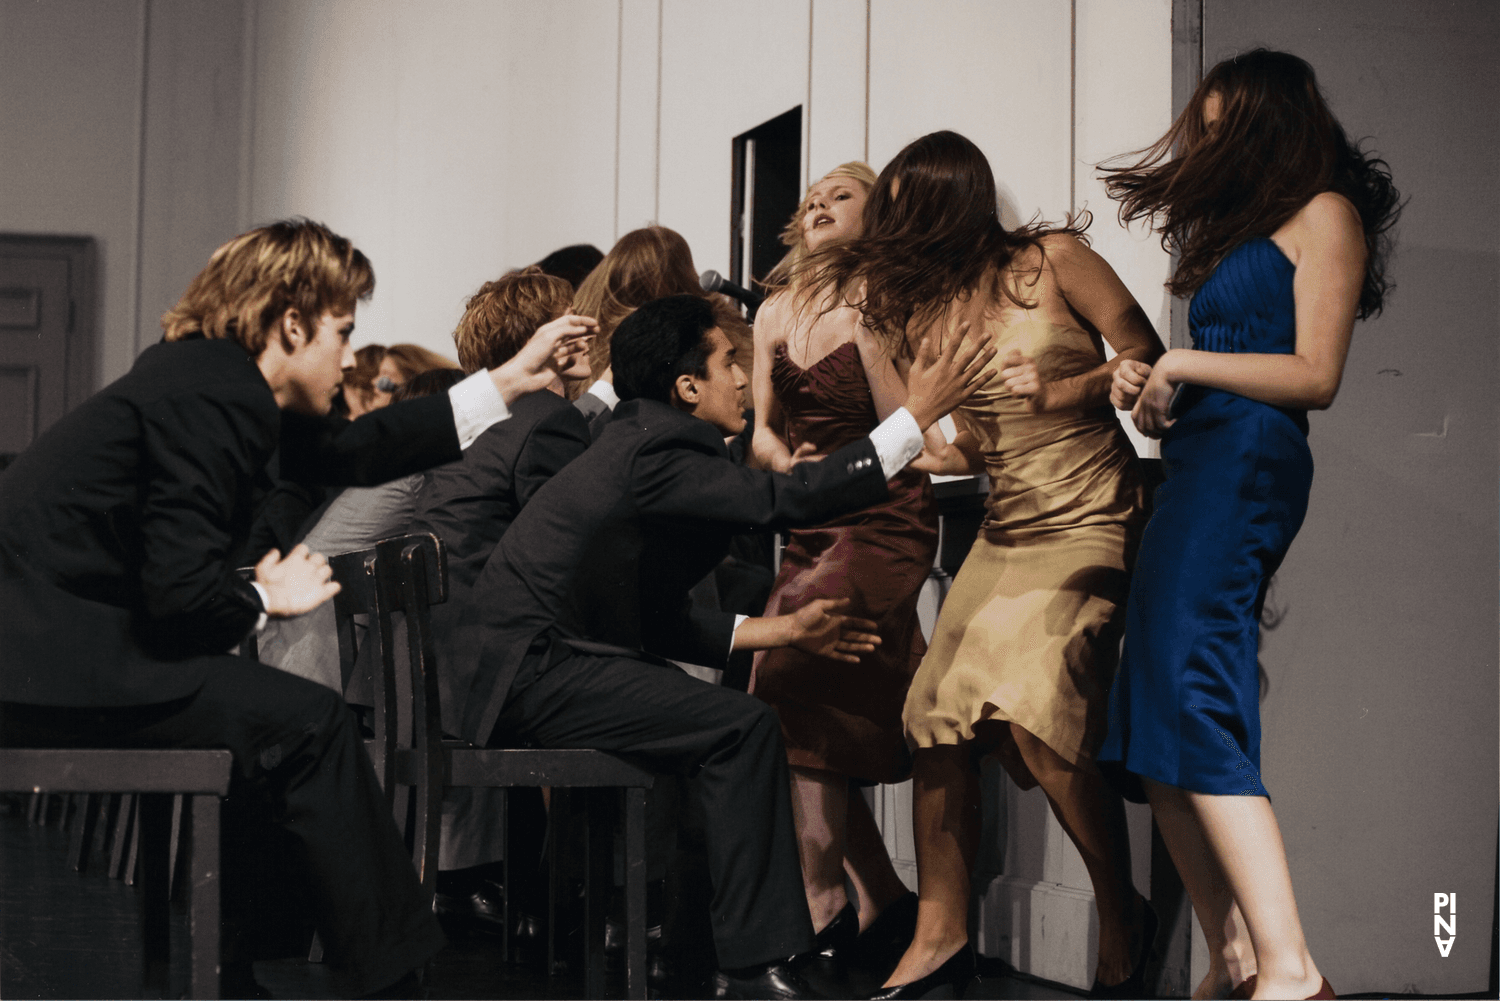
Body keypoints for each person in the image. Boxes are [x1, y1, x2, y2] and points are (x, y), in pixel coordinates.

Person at [0, 219, 591, 998]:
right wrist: (261, 596)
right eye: (342, 330)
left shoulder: (211, 380)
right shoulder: (212, 392)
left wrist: (509, 378)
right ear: (290, 322)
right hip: (53, 668)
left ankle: (244, 962)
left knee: (275, 721)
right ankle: (394, 976)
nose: (350, 355)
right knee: (307, 722)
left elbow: (355, 452)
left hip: (59, 650)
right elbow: (180, 596)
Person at [451, 293, 996, 999]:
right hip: (535, 667)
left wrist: (784, 630)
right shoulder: (659, 447)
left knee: (725, 722)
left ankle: (712, 949)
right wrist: (910, 418)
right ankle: (752, 965)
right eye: (729, 361)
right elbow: (789, 501)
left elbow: (654, 617)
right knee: (740, 728)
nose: (744, 377)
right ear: (687, 386)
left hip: (540, 660)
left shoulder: (639, 441)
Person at [806, 131, 1164, 998]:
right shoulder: (922, 309)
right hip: (1007, 527)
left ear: (947, 206)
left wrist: (1065, 390)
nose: (892, 236)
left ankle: (1121, 907)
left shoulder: (1054, 262)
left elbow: (1141, 358)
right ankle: (940, 935)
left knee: (1037, 714)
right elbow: (968, 437)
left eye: (903, 214)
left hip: (1089, 513)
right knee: (933, 708)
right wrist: (924, 451)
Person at [1097, 49, 1400, 1001]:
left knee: (1192, 689)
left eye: (1226, 126)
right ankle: (1234, 957)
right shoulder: (1242, 231)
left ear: (1271, 124)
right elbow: (1211, 363)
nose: (1210, 142)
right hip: (1198, 459)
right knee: (1150, 702)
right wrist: (1146, 387)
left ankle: (1292, 968)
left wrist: (1185, 365)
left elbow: (1316, 374)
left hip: (1249, 464)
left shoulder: (1326, 214)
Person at [749, 161, 931, 964]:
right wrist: (788, 468)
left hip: (882, 516)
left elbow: (907, 430)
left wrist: (835, 472)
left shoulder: (881, 304)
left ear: (876, 213)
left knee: (794, 670)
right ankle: (881, 898)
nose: (819, 200)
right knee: (794, 697)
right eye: (812, 195)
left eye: (841, 193)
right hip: (807, 517)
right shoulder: (773, 309)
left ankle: (822, 904)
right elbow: (760, 426)